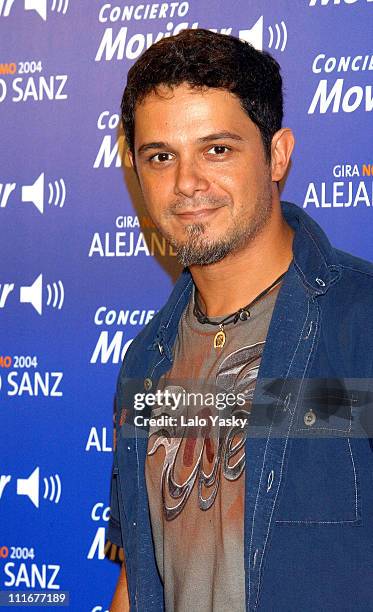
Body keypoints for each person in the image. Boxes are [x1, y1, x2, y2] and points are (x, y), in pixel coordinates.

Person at [107, 28, 373, 612]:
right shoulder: (145, 362)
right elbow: (143, 573)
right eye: (160, 157)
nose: (186, 183)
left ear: (277, 155)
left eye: (217, 149)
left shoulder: (361, 325)